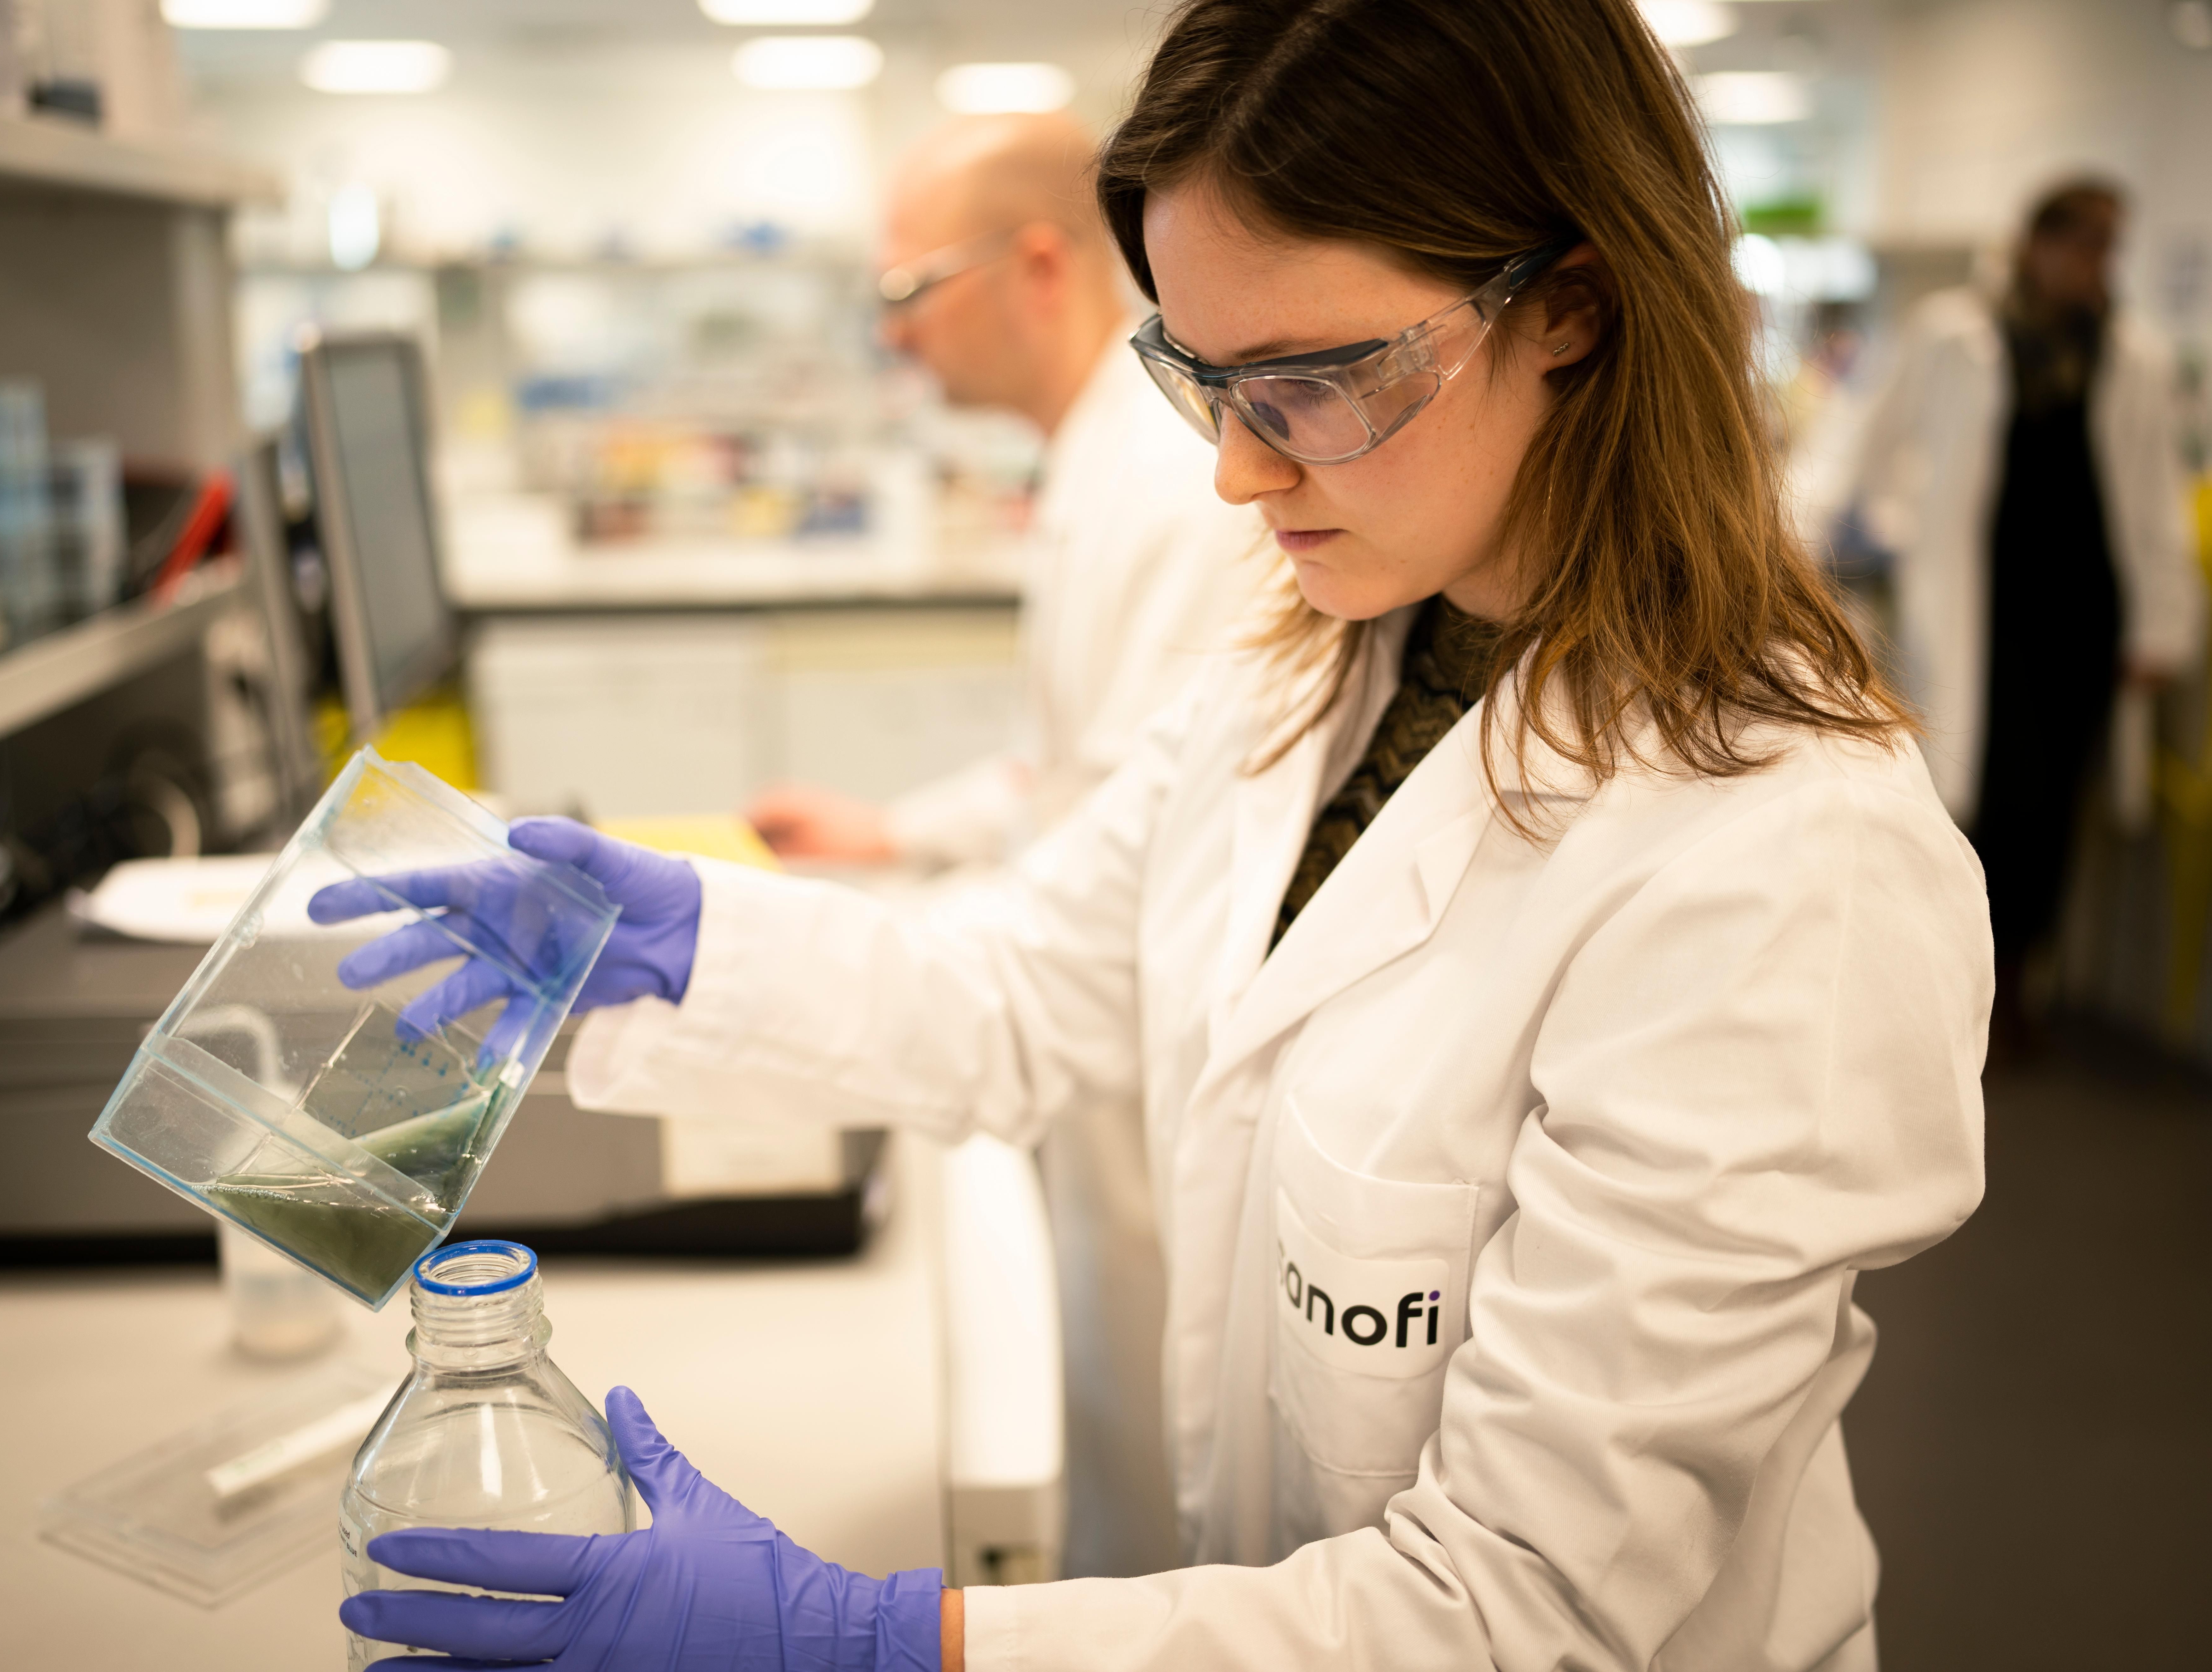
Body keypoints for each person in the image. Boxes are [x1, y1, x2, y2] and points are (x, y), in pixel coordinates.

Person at [328, 2, 1991, 1667]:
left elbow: (1514, 1605)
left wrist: (876, 1641)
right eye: (1205, 382)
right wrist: (695, 946)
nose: (1236, 479)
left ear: (1572, 307)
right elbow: (1030, 987)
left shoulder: (1778, 863)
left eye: (1315, 383)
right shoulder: (1316, 662)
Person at [750, 112, 1266, 1580]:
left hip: (1140, 1066)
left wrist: (882, 950)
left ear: (1037, 266)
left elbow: (1125, 845)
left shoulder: (1169, 481)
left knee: (1159, 1503)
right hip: (1093, 1039)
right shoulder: (1097, 453)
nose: (894, 334)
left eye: (910, 290)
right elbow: (1088, 767)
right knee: (1099, 1461)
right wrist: (897, 833)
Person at [1845, 178, 2202, 1057]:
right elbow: (1874, 440)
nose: (2095, 263)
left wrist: (2161, 624)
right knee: (1991, 796)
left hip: (2084, 616)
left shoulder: (2132, 354)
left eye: (2108, 246)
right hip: (1987, 610)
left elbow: (2155, 496)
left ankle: (2016, 993)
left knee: (2055, 813)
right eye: (2082, 242)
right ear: (2036, 243)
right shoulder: (1957, 333)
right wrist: (1886, 524)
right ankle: (1962, 991)